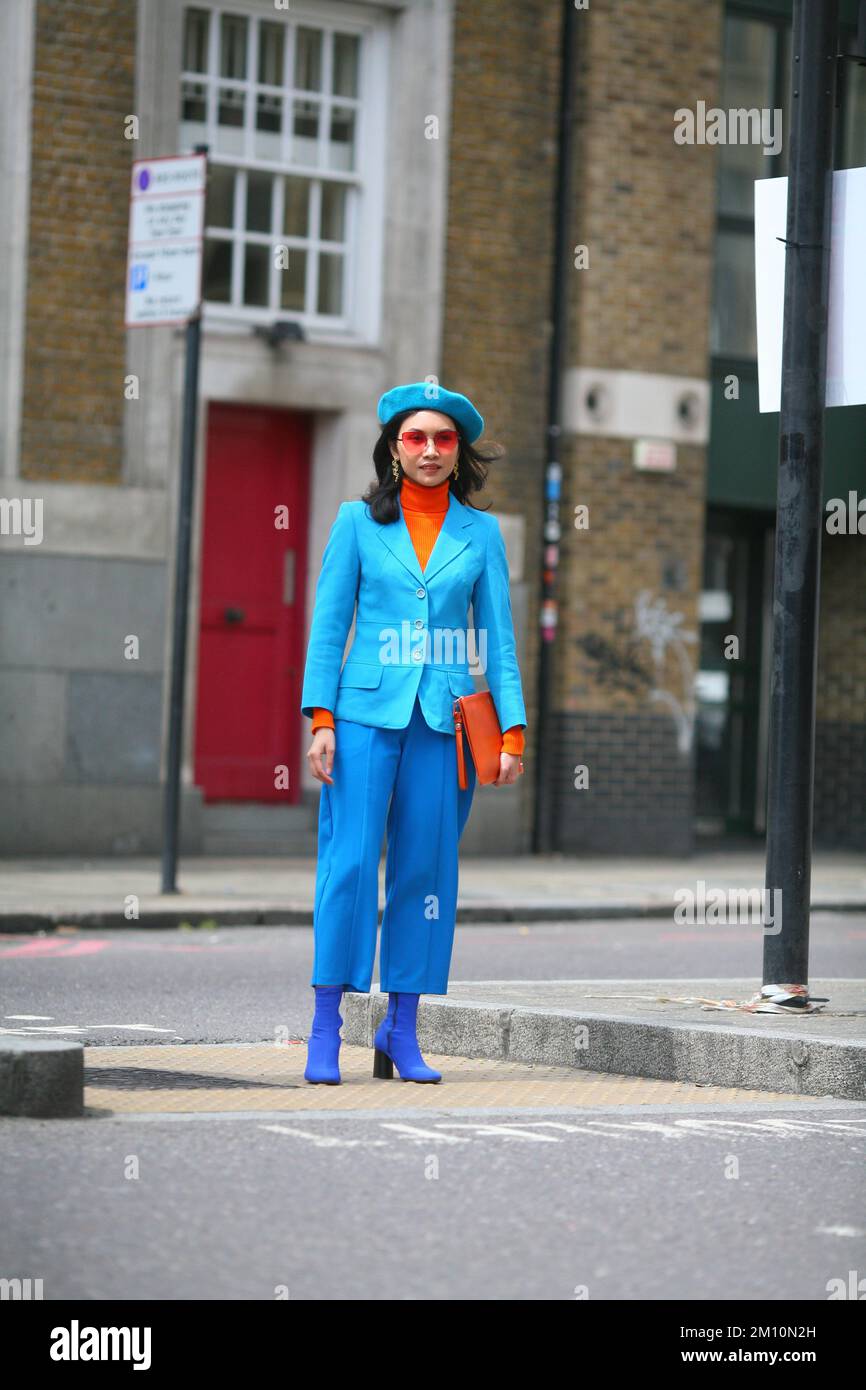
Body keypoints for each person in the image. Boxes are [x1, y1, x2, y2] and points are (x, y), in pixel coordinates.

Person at [300, 382, 527, 1085]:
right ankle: (324, 1031)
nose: (430, 450)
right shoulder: (355, 524)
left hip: (444, 723)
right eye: (415, 438)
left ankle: (401, 1031)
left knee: (424, 877)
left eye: (444, 439)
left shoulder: (480, 534)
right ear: (395, 450)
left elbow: (499, 638)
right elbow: (330, 626)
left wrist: (513, 732)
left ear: (459, 453)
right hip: (364, 718)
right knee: (348, 867)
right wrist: (321, 718)